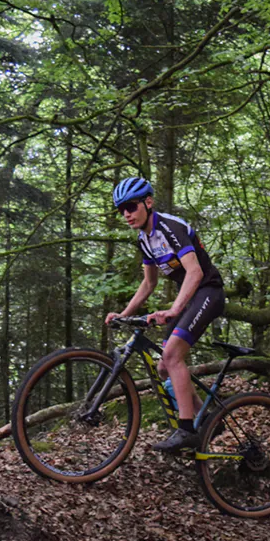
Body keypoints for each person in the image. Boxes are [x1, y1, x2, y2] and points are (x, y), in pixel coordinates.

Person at [104, 177, 225, 452]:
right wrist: (122, 314)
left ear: (148, 202)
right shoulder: (144, 239)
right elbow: (149, 283)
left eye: (131, 206)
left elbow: (195, 272)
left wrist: (173, 310)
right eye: (121, 209)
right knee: (163, 367)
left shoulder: (170, 227)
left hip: (208, 291)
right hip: (191, 296)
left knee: (171, 356)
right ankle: (207, 418)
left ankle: (186, 430)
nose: (126, 214)